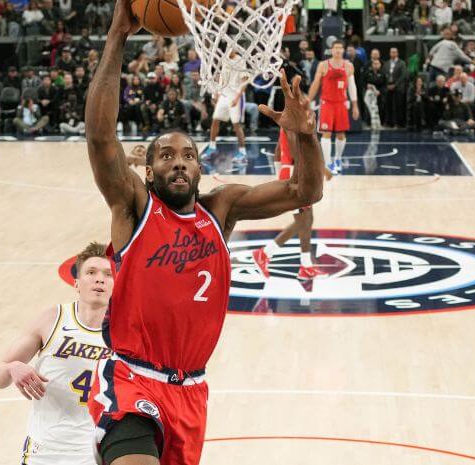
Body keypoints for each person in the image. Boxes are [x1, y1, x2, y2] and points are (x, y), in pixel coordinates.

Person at [83, 1, 325, 464]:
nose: (178, 162)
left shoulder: (221, 209)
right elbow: (100, 138)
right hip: (131, 379)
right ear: (148, 172)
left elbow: (305, 191)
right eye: (166, 156)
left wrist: (305, 136)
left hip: (191, 389)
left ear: (199, 168)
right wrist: (116, 36)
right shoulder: (134, 206)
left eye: (188, 155)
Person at [0, 242, 113, 465]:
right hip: (44, 449)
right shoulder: (52, 319)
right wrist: (12, 367)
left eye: (108, 274)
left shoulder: (125, 334)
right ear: (76, 283)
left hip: (95, 451)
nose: (99, 279)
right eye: (91, 272)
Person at [251, 129, 332, 282]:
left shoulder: (289, 120)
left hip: (292, 174)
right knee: (304, 221)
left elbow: (278, 150)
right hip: (295, 176)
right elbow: (296, 154)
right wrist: (321, 168)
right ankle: (267, 254)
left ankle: (302, 265)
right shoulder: (294, 120)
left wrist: (280, 174)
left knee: (306, 220)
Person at [307, 40, 359, 175]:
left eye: (340, 47)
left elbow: (352, 86)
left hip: (341, 103)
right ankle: (328, 163)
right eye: (335, 47)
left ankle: (338, 159)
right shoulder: (323, 65)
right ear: (331, 50)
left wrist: (355, 105)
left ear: (343, 50)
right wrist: (308, 102)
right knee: (327, 133)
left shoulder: (348, 66)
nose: (338, 50)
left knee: (341, 134)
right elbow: (315, 84)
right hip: (327, 103)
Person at [204, 53, 249, 162]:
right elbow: (222, 78)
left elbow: (245, 81)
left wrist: (237, 98)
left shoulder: (240, 60)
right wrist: (217, 94)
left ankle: (243, 152)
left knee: (236, 125)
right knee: (215, 120)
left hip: (235, 95)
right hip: (224, 95)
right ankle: (212, 147)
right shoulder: (224, 59)